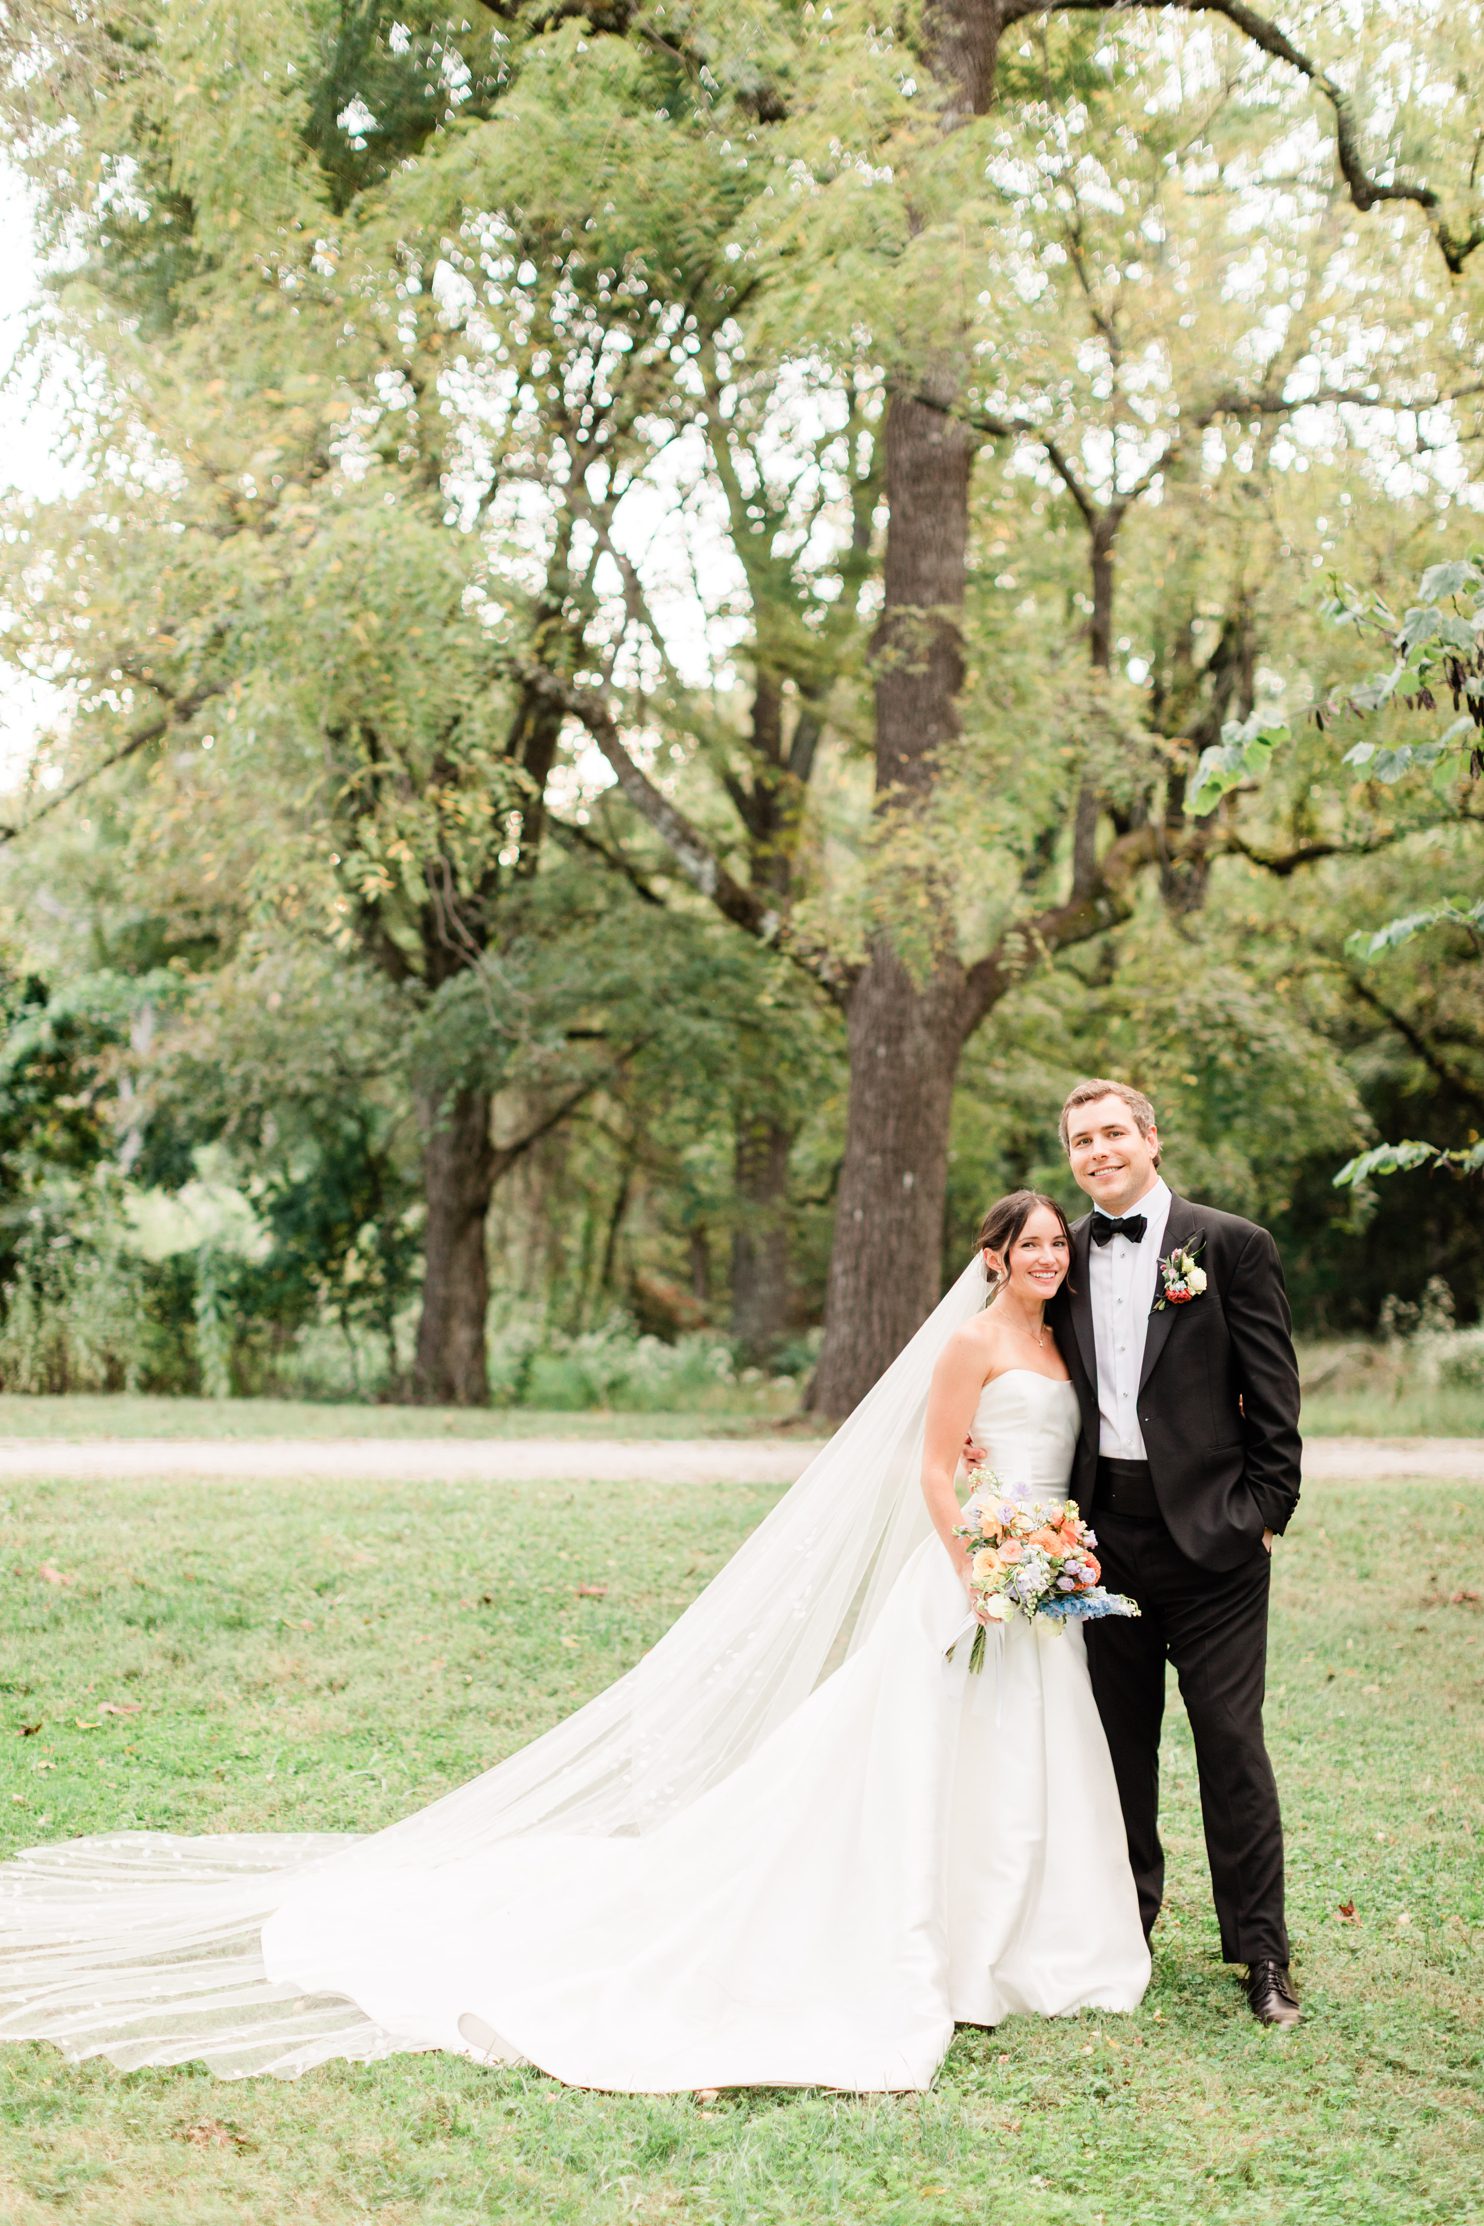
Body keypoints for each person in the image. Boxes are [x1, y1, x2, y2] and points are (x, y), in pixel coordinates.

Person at [0, 1193, 1147, 2093]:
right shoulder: (968, 1344)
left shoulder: (1059, 1344)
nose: (1046, 1258)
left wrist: (1042, 1558)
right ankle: (935, 1943)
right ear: (991, 1254)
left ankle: (1026, 1941)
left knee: (1030, 1761)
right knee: (916, 1763)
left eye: (1055, 1245)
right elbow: (933, 1465)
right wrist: (976, 1569)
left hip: (1041, 1579)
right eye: (1028, 1245)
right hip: (972, 1580)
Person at [1045, 1078, 1302, 2028]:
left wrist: (1266, 1512)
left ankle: (1263, 1955)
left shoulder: (1229, 1245)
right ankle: (1128, 1934)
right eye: (1081, 1141)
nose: (1099, 1151)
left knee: (1231, 1743)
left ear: (1151, 1138)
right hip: (1098, 1538)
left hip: (1215, 1542)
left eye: (1114, 1132)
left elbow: (1275, 1392)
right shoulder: (1056, 1253)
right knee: (1118, 1749)